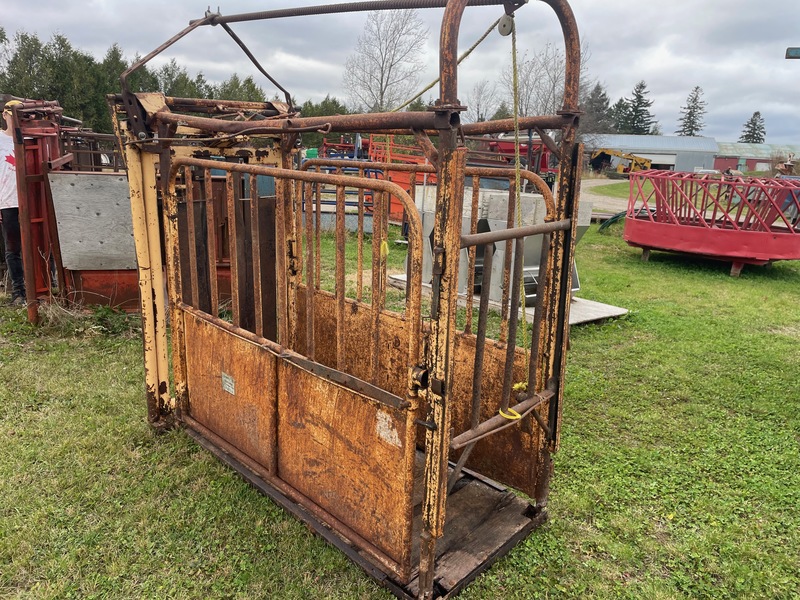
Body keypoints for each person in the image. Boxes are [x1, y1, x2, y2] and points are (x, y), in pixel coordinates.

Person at [1, 100, 25, 306]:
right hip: (7, 201)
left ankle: (47, 286)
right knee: (13, 248)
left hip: (31, 201)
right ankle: (19, 292)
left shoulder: (32, 138)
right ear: (5, 115)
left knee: (40, 245)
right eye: (13, 114)